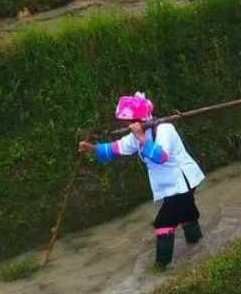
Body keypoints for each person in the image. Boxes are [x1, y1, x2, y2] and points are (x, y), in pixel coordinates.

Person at [78, 92, 206, 270]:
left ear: (138, 120)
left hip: (182, 181)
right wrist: (91, 148)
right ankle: (199, 246)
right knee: (185, 213)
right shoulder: (136, 135)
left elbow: (160, 156)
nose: (126, 125)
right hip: (170, 184)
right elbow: (116, 148)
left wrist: (141, 138)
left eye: (129, 122)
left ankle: (161, 267)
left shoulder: (164, 129)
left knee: (164, 222)